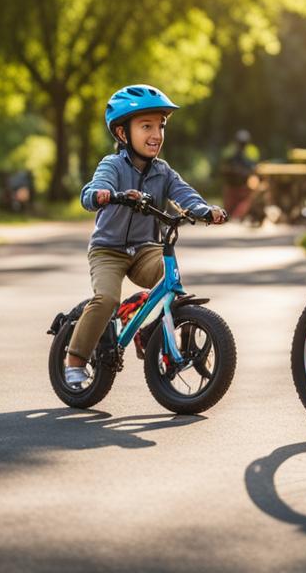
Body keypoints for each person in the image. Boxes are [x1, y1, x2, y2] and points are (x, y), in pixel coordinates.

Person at [64, 85, 228, 389]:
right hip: (108, 251)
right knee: (107, 299)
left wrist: (204, 210)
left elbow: (184, 194)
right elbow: (90, 191)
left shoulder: (163, 172)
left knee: (171, 284)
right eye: (146, 126)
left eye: (160, 126)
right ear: (123, 134)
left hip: (144, 249)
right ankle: (74, 360)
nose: (156, 134)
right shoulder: (112, 165)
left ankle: (149, 332)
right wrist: (102, 195)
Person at [220, 129, 260, 219]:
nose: (242, 145)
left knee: (246, 202)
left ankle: (239, 216)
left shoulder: (252, 151)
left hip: (244, 185)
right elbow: (224, 168)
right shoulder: (230, 151)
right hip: (231, 185)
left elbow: (255, 168)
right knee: (228, 210)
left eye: (244, 143)